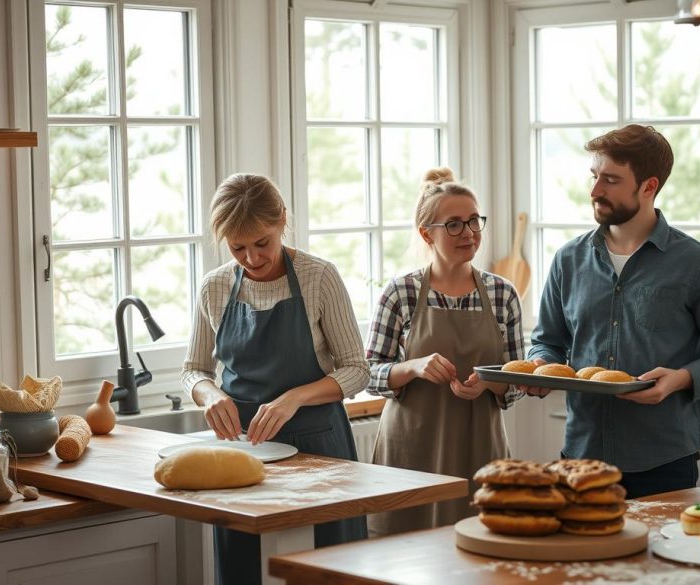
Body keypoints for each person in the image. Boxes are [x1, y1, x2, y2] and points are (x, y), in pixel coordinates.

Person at [522, 125, 700, 499]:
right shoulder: (568, 259)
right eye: (594, 177)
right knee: (583, 558)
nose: (595, 191)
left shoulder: (697, 263)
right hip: (580, 458)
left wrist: (679, 378)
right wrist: (540, 369)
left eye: (610, 180)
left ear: (648, 187)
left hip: (663, 462)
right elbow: (547, 343)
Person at [181, 173, 369, 585]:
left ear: (283, 220)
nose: (251, 257)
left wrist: (295, 398)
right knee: (244, 568)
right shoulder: (214, 287)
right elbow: (192, 369)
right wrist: (209, 393)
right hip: (242, 454)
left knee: (326, 569)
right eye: (237, 247)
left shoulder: (319, 276)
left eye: (262, 242)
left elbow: (357, 369)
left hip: (320, 450)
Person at [365, 167, 525, 535]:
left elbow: (517, 380)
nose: (468, 233)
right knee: (402, 555)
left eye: (474, 221)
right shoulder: (400, 293)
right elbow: (369, 372)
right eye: (454, 224)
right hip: (409, 451)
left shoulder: (503, 295)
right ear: (427, 234)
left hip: (480, 447)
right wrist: (413, 367)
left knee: (483, 551)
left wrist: (488, 382)